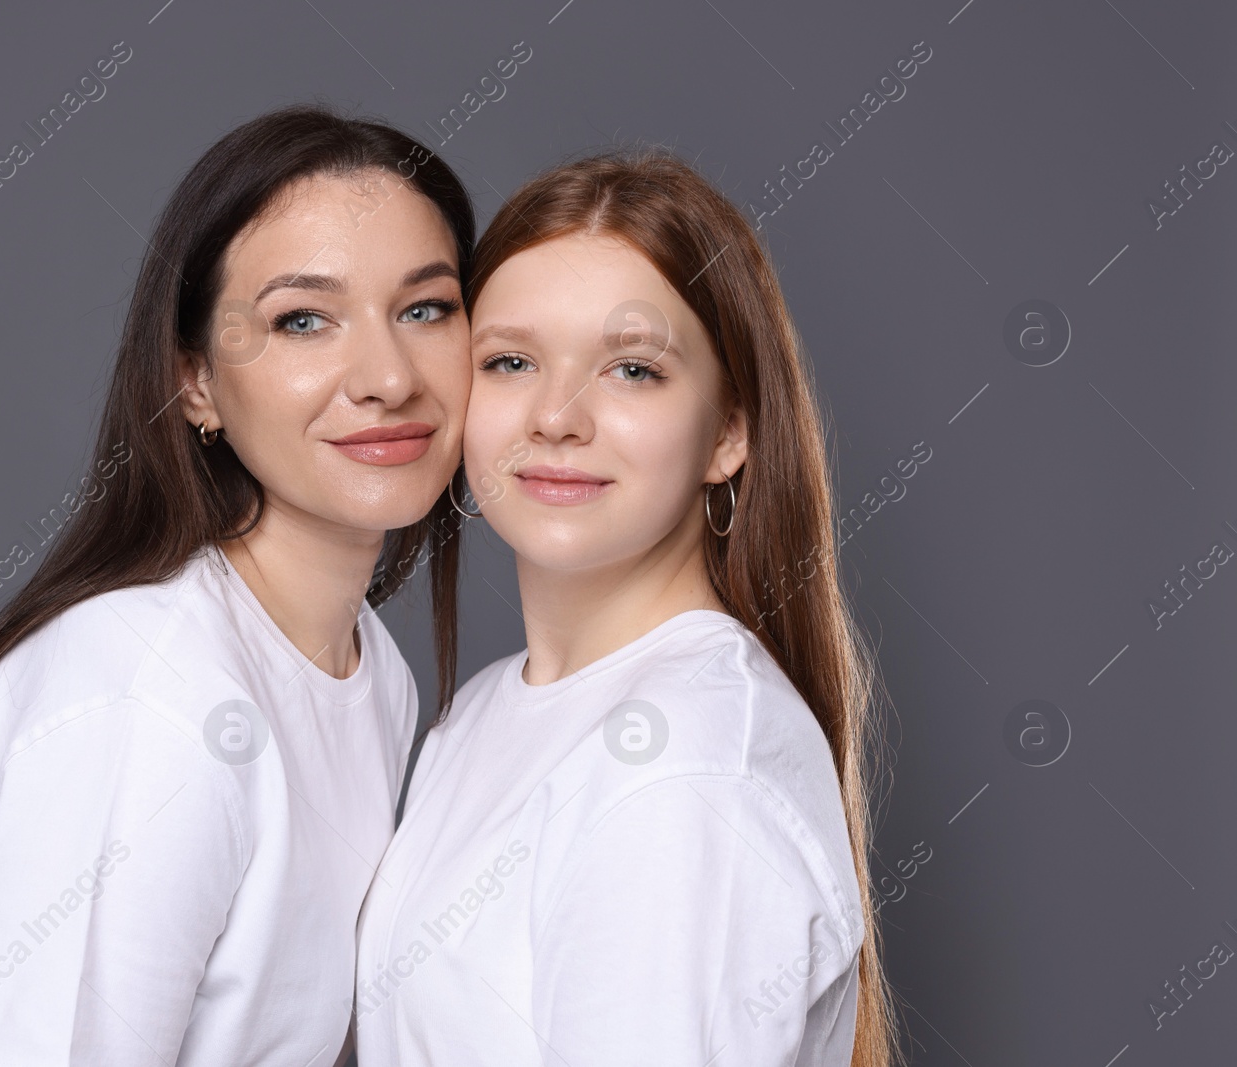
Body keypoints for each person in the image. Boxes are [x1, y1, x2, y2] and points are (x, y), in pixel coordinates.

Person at [0, 103, 475, 1067]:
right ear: (196, 383)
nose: (388, 376)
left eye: (426, 308)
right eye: (302, 319)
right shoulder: (151, 694)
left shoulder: (370, 670)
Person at [353, 150, 900, 1066]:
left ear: (729, 431)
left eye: (633, 368)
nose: (558, 416)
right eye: (513, 360)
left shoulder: (685, 767)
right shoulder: (486, 710)